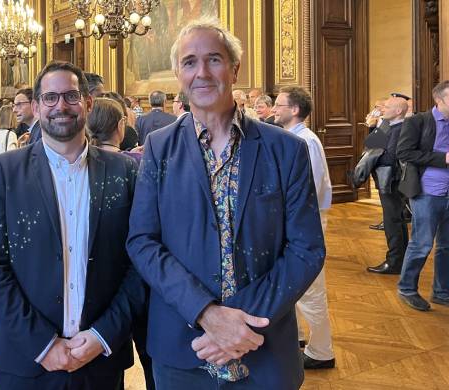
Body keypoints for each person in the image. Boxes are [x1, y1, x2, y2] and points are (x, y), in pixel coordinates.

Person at [126, 17, 325, 389]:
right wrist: (205, 314)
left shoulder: (286, 149)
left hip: (263, 349)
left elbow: (306, 249)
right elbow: (142, 241)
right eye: (189, 62)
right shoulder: (158, 147)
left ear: (235, 69)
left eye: (214, 59)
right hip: (184, 352)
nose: (202, 72)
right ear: (178, 74)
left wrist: (239, 321)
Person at [0, 60, 146, 390]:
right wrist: (42, 343)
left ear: (88, 103)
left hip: (99, 359)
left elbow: (139, 262)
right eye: (50, 98)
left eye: (71, 95)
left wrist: (103, 334)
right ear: (37, 107)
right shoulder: (6, 171)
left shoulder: (123, 172)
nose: (61, 106)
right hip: (24, 358)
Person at [272, 86, 336, 369]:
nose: (274, 109)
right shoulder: (294, 138)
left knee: (311, 289)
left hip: (304, 225)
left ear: (294, 110)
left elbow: (304, 190)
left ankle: (322, 351)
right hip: (297, 223)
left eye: (278, 104)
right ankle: (298, 336)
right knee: (297, 286)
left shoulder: (305, 142)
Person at [395, 80, 449, 311]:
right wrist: (442, 158)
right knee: (422, 243)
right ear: (439, 100)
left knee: (447, 246)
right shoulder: (418, 121)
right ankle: (407, 288)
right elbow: (404, 152)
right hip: (428, 192)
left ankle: (441, 291)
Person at [366, 96, 409, 275]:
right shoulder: (387, 126)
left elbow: (389, 157)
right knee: (395, 220)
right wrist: (372, 127)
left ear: (398, 111)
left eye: (387, 107)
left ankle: (394, 262)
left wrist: (374, 159)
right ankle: (399, 260)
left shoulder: (401, 129)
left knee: (393, 221)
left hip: (392, 181)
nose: (383, 109)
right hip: (387, 180)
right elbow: (369, 145)